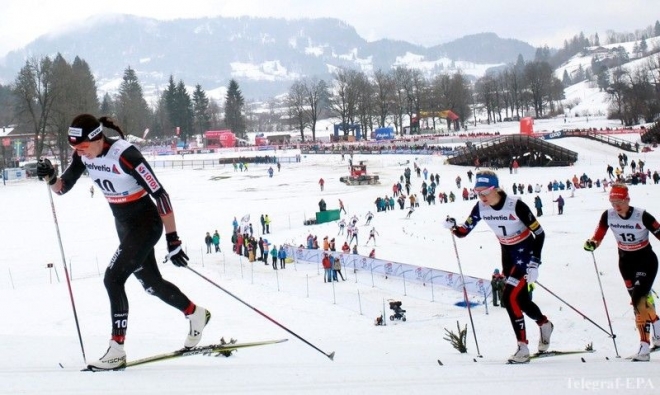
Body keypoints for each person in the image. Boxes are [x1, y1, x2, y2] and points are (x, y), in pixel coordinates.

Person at [36, 114, 210, 370]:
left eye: (83, 147)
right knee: (151, 284)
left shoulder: (126, 155)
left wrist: (173, 239)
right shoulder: (83, 155)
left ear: (97, 138)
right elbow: (62, 188)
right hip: (125, 227)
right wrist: (51, 177)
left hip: (146, 224)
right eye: (75, 148)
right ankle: (195, 313)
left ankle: (116, 349)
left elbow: (160, 195)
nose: (80, 153)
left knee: (112, 278)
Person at [444, 170, 552, 363]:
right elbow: (463, 231)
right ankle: (544, 324)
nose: (481, 197)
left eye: (485, 192)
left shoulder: (515, 205)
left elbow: (540, 233)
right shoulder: (480, 207)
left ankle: (522, 348)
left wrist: (535, 263)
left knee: (508, 297)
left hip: (525, 255)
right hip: (508, 256)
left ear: (496, 189)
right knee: (522, 302)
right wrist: (453, 226)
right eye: (478, 192)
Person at [583, 183, 660, 361]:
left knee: (638, 299)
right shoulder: (608, 215)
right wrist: (592, 243)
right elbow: (598, 235)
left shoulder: (642, 215)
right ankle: (656, 324)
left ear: (628, 200)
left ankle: (644, 347)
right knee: (638, 302)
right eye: (612, 202)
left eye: (619, 201)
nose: (616, 206)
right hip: (625, 263)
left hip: (646, 261)